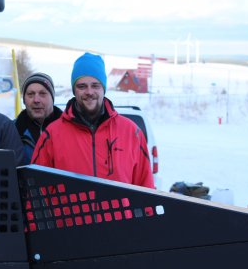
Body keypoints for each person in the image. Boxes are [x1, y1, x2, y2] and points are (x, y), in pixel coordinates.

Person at [31, 52, 155, 188]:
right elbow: (36, 191)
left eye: (95, 85)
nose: (89, 92)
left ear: (104, 88)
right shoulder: (52, 135)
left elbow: (146, 190)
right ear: (74, 90)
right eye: (82, 86)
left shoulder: (132, 133)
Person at [14, 72, 62, 165]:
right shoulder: (12, 130)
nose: (36, 100)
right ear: (24, 100)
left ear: (52, 98)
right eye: (30, 94)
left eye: (42, 93)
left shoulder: (69, 129)